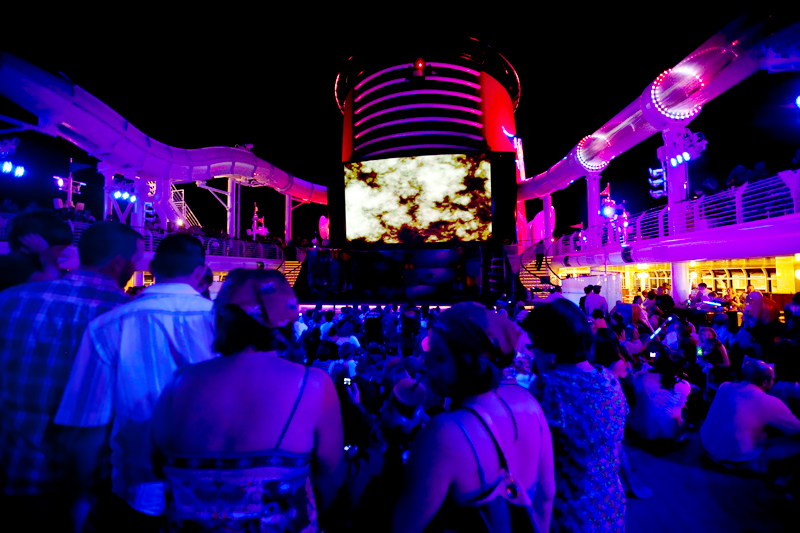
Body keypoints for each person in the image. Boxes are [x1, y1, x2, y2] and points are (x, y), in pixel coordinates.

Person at [151, 269, 344, 532]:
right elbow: (331, 477)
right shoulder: (313, 384)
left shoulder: (179, 382)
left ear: (221, 318)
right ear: (286, 319)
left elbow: (157, 463)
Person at [55, 234, 217, 529]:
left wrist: (79, 495)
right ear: (200, 271)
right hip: (217, 482)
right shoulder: (223, 321)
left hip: (137, 486)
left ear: (153, 268)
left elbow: (89, 425)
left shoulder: (108, 325)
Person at [0, 222, 143, 531]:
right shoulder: (133, 317)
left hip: (17, 466)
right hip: (95, 475)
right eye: (137, 260)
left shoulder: (12, 300)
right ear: (119, 263)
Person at [392, 302, 555, 533]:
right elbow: (547, 494)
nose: (424, 363)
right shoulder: (528, 403)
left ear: (469, 364)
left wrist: (385, 442)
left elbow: (401, 526)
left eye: (439, 357)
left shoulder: (443, 432)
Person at [526, 299, 628, 533]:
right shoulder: (608, 378)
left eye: (533, 347)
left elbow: (531, 458)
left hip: (569, 511)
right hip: (610, 502)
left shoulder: (548, 387)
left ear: (549, 349)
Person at [701, 359, 800, 474]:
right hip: (733, 462)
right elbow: (797, 429)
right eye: (773, 380)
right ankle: (781, 481)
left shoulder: (725, 386)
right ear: (764, 383)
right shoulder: (770, 402)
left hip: (706, 450)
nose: (774, 383)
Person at [0, 210, 74, 292]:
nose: (59, 254)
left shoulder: (37, 265)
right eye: (55, 248)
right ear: (28, 241)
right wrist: (47, 255)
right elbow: (49, 286)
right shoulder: (8, 264)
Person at [628, 353, 691, 442]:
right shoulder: (685, 385)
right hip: (669, 437)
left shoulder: (641, 376)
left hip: (640, 431)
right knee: (683, 409)